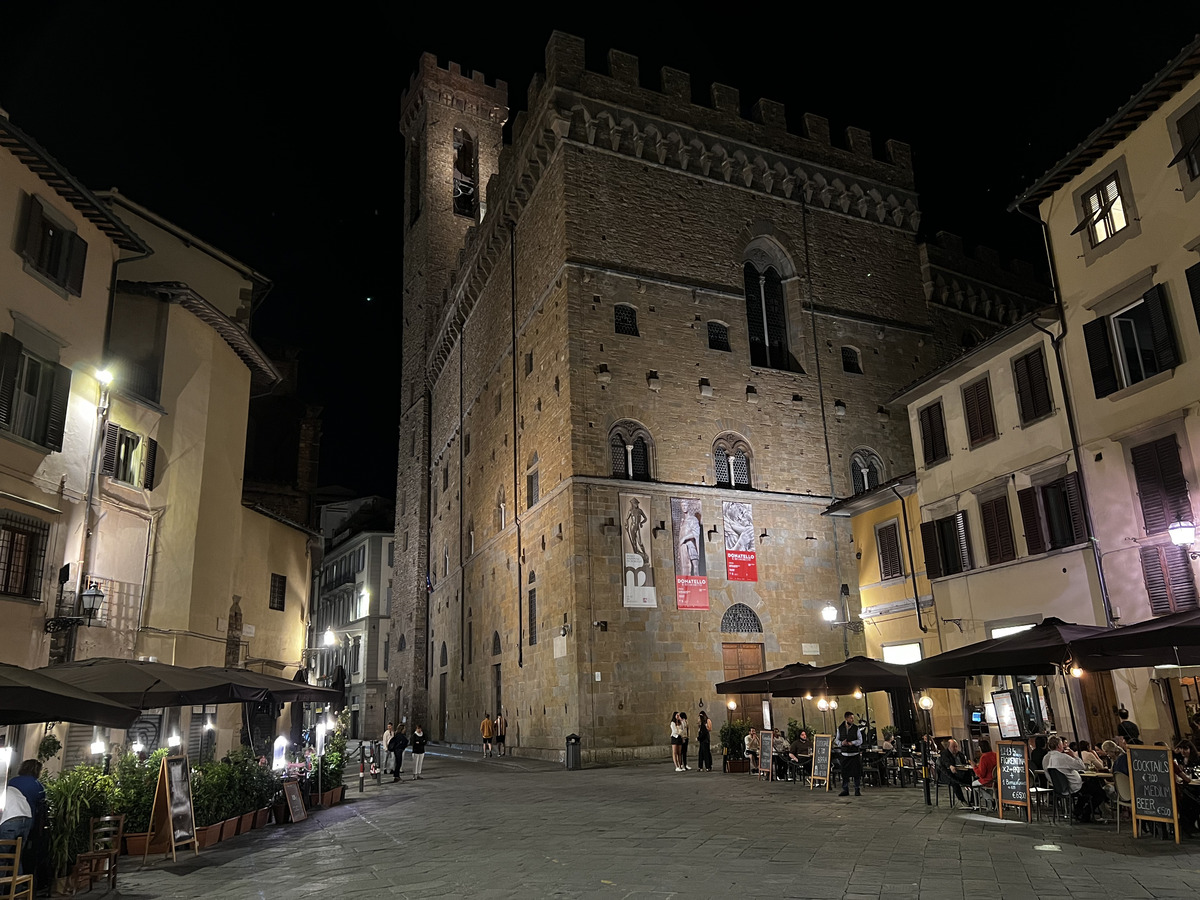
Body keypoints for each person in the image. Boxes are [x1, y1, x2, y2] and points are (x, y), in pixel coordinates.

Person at [1044, 736, 1105, 822]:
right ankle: (1086, 813)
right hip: (1072, 786)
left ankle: (1078, 811)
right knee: (1100, 792)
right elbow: (1081, 766)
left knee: (1089, 789)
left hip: (1060, 787)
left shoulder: (1048, 758)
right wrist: (1073, 755)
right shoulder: (1063, 757)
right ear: (1059, 746)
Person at [836, 711, 864, 797]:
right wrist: (841, 743)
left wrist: (853, 743)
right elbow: (836, 740)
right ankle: (845, 789)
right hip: (844, 754)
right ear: (846, 718)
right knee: (845, 774)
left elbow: (860, 740)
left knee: (856, 773)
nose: (852, 720)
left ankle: (857, 789)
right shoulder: (840, 728)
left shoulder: (856, 728)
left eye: (853, 718)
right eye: (851, 718)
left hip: (854, 754)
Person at [938, 739, 974, 803]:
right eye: (953, 747)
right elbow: (945, 762)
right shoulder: (944, 754)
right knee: (954, 782)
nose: (955, 748)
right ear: (949, 747)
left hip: (960, 773)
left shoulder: (960, 754)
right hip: (948, 775)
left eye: (956, 746)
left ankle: (973, 800)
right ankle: (962, 800)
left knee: (973, 780)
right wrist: (950, 766)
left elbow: (965, 763)